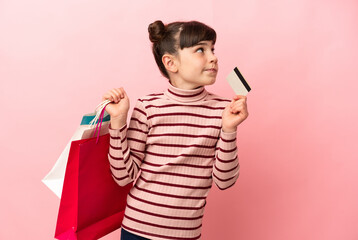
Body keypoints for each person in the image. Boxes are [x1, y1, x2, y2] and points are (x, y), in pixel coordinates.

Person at [102, 20, 249, 240]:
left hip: (185, 235)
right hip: (136, 230)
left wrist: (229, 129)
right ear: (171, 63)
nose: (213, 57)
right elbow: (123, 176)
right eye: (201, 49)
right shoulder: (148, 107)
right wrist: (118, 122)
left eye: (212, 49)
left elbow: (225, 181)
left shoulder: (223, 111)